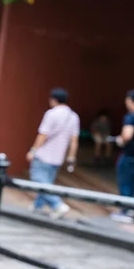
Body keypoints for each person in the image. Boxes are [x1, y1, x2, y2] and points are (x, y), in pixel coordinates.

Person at [26, 88, 80, 219]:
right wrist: (71, 156)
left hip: (44, 154)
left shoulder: (51, 114)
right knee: (46, 183)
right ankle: (38, 206)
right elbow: (74, 140)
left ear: (54, 100)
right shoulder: (73, 117)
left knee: (38, 180)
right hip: (58, 157)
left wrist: (33, 150)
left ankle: (57, 205)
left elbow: (43, 135)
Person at [111, 89, 134, 224]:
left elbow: (127, 135)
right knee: (131, 181)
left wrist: (119, 140)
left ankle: (125, 211)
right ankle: (130, 208)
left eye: (128, 101)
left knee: (126, 181)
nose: (126, 103)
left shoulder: (131, 117)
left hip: (130, 155)